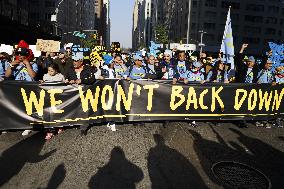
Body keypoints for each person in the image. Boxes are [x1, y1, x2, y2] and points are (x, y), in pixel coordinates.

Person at [5, 46, 38, 136]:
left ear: (26, 55)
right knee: (18, 107)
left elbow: (33, 76)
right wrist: (11, 65)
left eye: (22, 54)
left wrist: (27, 64)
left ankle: (28, 126)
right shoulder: (14, 64)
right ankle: (18, 124)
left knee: (28, 108)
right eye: (18, 54)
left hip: (29, 89)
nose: (20, 56)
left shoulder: (33, 64)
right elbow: (7, 75)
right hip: (17, 88)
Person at [41, 63, 65, 139]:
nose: (49, 72)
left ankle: (60, 126)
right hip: (48, 98)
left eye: (51, 71)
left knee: (58, 113)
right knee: (49, 114)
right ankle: (50, 131)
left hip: (58, 98)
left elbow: (65, 86)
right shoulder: (45, 76)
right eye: (48, 70)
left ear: (56, 70)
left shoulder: (60, 76)